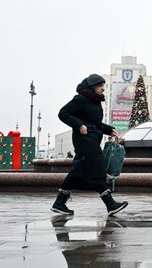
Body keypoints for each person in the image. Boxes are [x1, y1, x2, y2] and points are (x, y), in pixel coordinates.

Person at [51, 74, 128, 216]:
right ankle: (110, 204)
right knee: (97, 170)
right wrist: (78, 124)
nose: (103, 89)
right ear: (92, 87)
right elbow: (63, 113)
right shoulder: (80, 99)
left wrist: (109, 129)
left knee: (76, 172)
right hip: (84, 141)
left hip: (93, 140)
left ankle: (59, 203)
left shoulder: (95, 102)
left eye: (103, 86)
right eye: (100, 86)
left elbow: (96, 123)